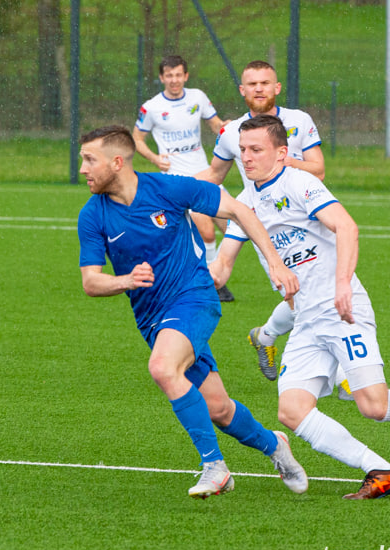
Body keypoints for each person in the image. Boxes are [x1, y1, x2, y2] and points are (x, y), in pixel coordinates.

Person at [209, 115, 390, 499]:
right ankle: (381, 470)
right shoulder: (245, 203)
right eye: (242, 150)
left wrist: (342, 285)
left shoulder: (301, 183)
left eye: (256, 150)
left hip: (343, 312)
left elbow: (346, 227)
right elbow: (223, 264)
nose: (246, 158)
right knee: (292, 411)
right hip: (306, 322)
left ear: (281, 153)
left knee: (374, 406)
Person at [77, 125, 307, 499]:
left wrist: (276, 263)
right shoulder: (93, 215)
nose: (83, 168)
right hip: (152, 319)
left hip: (195, 297)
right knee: (218, 408)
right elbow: (91, 281)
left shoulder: (168, 189)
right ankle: (274, 445)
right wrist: (126, 280)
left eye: (90, 160)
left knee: (162, 368)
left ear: (117, 162)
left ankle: (215, 468)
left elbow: (238, 209)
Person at [197, 60, 324, 382]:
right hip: (259, 218)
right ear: (242, 90)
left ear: (277, 87)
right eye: (252, 84)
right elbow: (215, 174)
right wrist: (164, 189)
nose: (258, 89)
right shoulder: (230, 133)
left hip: (309, 214)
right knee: (300, 296)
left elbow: (318, 169)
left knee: (317, 295)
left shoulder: (299, 121)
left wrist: (280, 159)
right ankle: (341, 378)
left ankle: (265, 336)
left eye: (265, 83)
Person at [133, 55, 234, 303]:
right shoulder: (152, 107)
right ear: (161, 78)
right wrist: (155, 159)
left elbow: (215, 125)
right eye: (169, 75)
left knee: (236, 227)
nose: (174, 80)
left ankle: (209, 273)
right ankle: (211, 284)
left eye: (178, 75)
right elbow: (136, 139)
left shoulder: (197, 97)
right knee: (207, 232)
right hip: (178, 180)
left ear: (186, 76)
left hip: (207, 173)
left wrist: (226, 127)